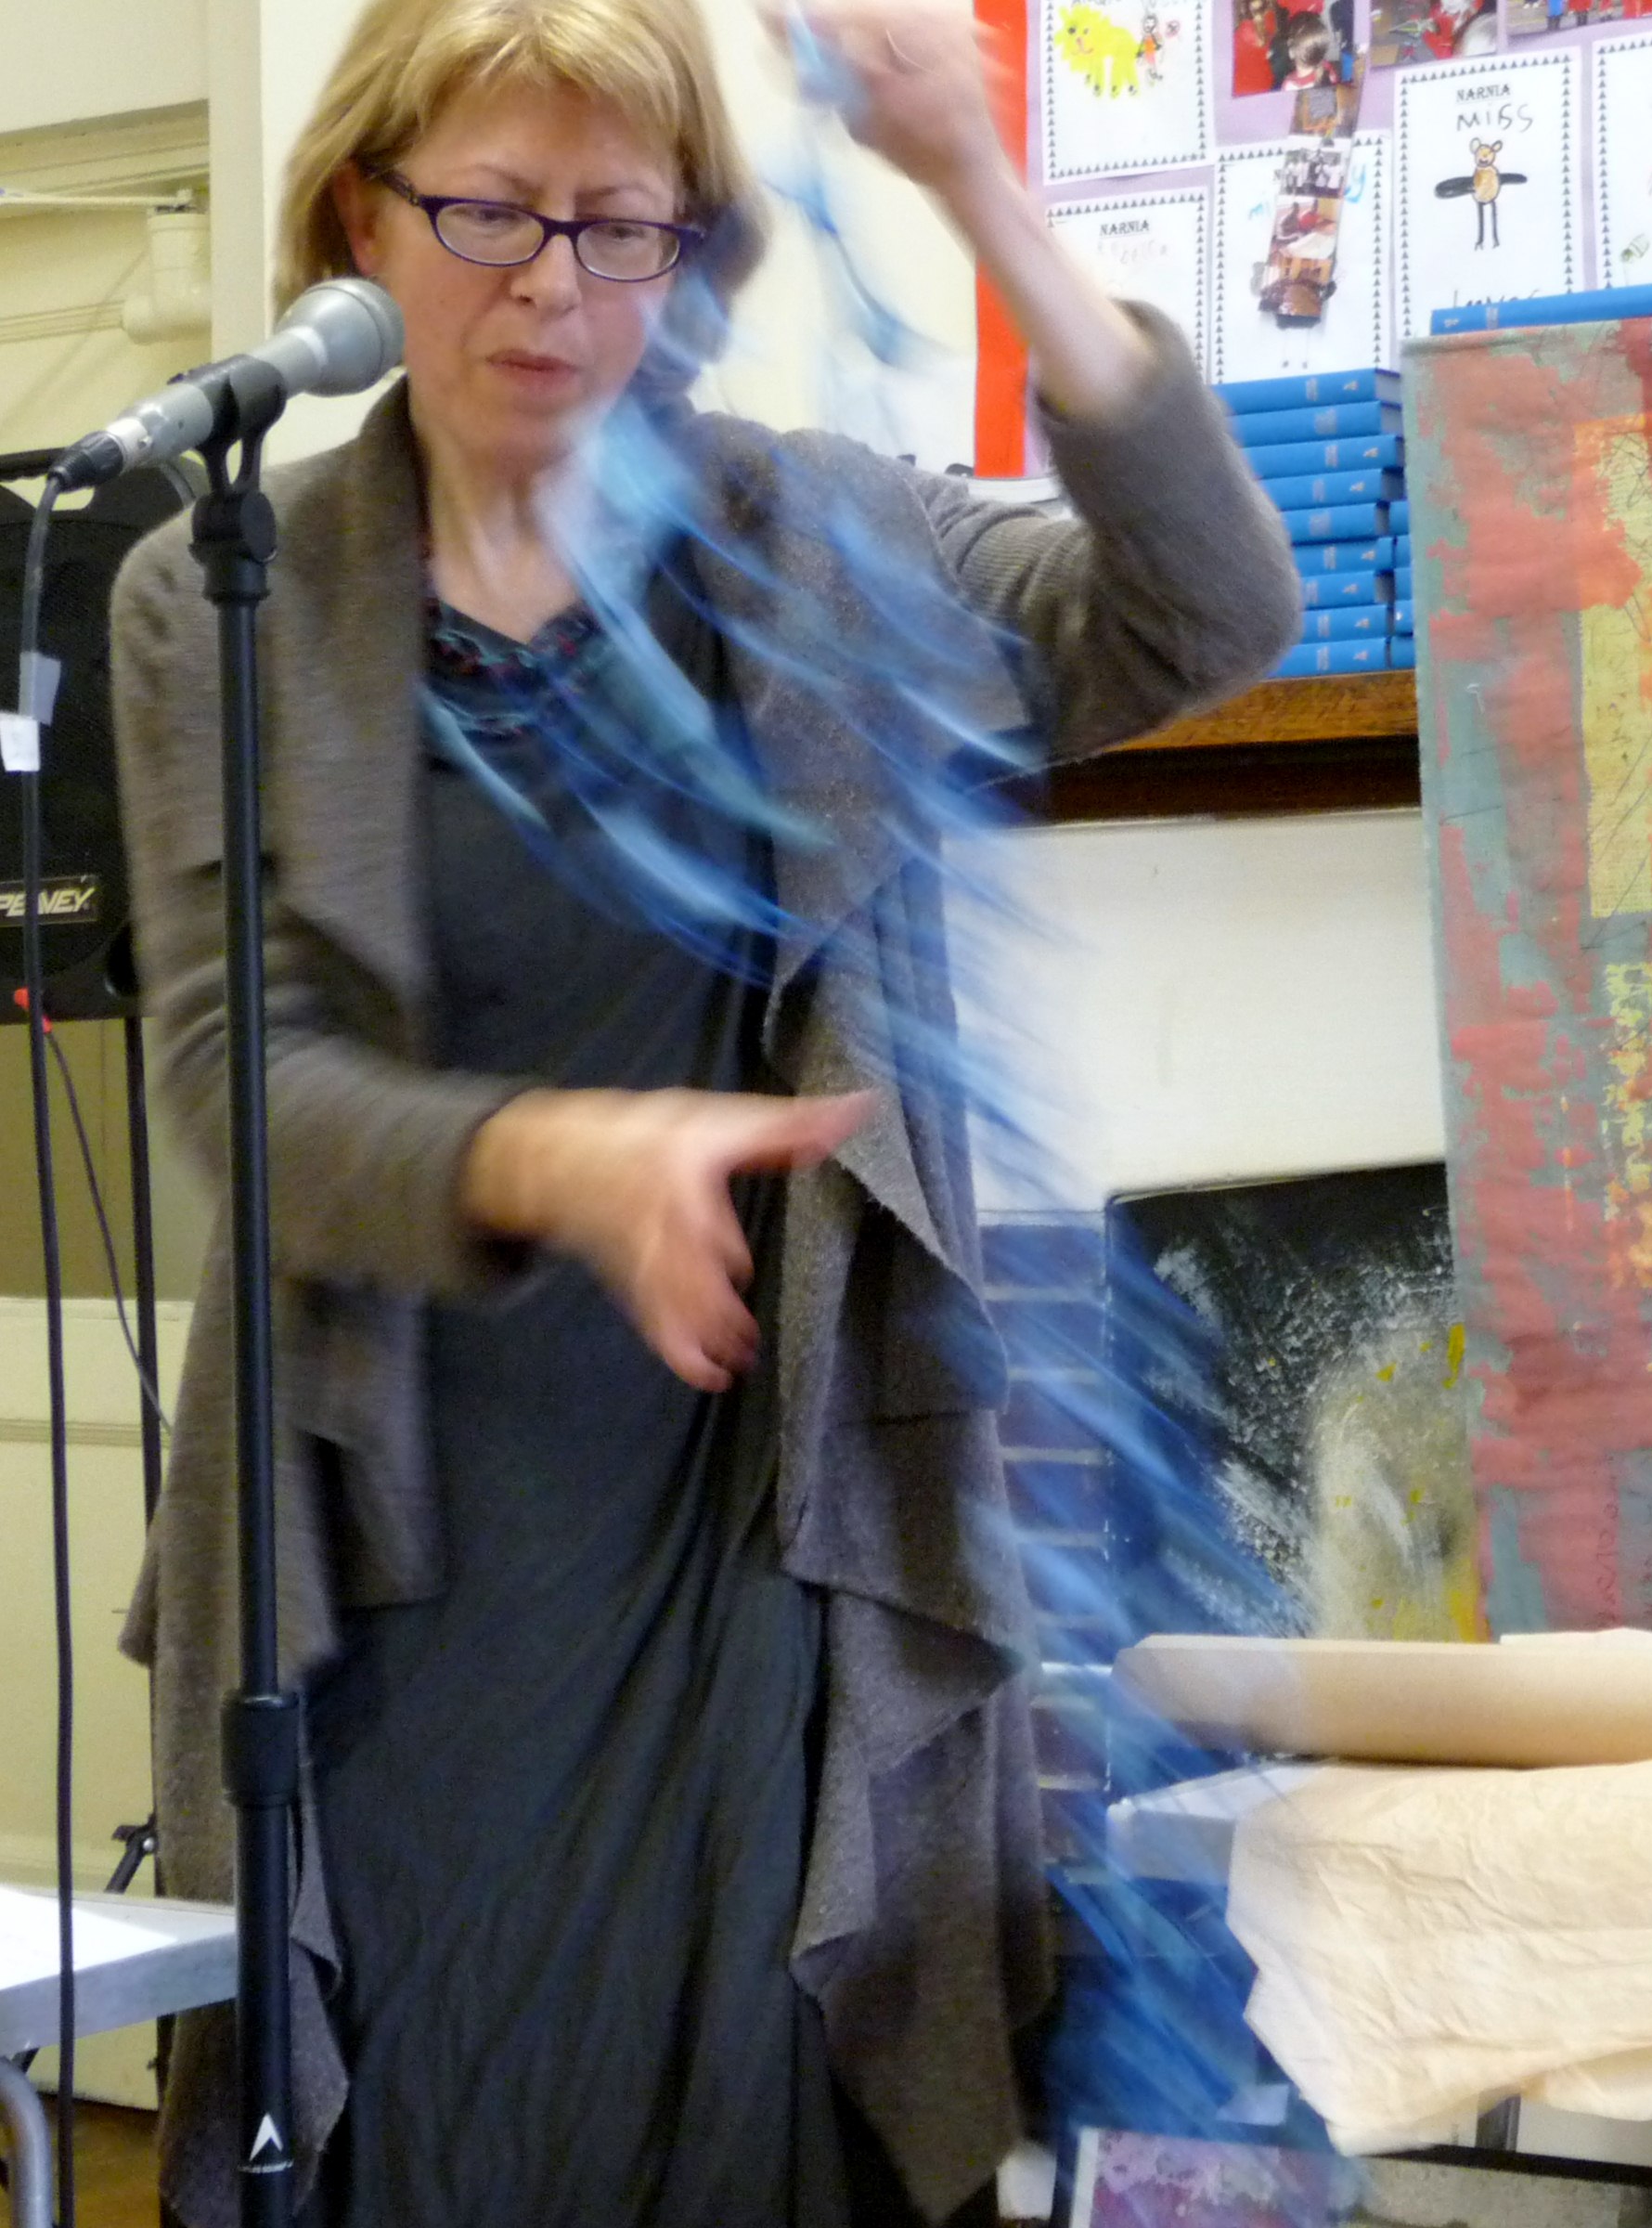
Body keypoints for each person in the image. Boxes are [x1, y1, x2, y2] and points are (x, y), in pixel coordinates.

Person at [107, 0, 1297, 2222]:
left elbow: (1203, 611)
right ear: (360, 214)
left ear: (691, 249)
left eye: (618, 227)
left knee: (755, 2106)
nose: (551, 287)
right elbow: (232, 1081)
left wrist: (975, 182)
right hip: (386, 1530)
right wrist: (556, 1158)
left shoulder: (824, 542)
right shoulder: (222, 592)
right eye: (487, 214)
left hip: (761, 1501)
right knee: (408, 2120)